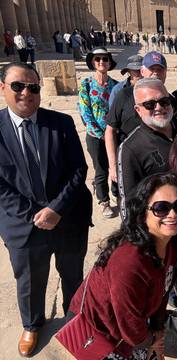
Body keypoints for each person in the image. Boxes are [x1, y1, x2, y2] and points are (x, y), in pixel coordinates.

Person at [0, 62, 92, 357]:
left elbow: (78, 170)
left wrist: (56, 209)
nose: (26, 92)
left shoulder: (60, 123)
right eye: (18, 86)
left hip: (67, 219)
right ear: (3, 88)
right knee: (29, 280)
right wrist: (36, 215)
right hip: (23, 225)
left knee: (72, 275)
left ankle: (74, 319)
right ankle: (32, 324)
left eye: (33, 87)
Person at [67, 173, 177, 360]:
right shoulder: (129, 262)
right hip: (102, 334)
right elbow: (130, 327)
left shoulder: (167, 245)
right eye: (161, 208)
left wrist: (158, 331)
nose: (172, 214)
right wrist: (154, 340)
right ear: (142, 213)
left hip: (132, 328)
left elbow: (162, 292)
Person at [117, 78, 177, 220]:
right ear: (138, 110)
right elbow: (128, 204)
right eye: (150, 104)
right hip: (162, 228)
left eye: (164, 101)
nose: (159, 107)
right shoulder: (131, 148)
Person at [105, 51, 169, 195]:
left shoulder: (168, 102)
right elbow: (110, 131)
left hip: (159, 166)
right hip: (131, 162)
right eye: (152, 69)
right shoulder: (124, 96)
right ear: (142, 71)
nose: (156, 73)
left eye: (160, 69)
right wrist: (113, 165)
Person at [78, 47, 118, 218]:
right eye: (98, 59)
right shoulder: (86, 84)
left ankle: (118, 194)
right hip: (95, 136)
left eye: (105, 59)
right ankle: (104, 201)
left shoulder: (116, 86)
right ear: (93, 63)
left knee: (116, 165)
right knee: (101, 168)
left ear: (109, 62)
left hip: (114, 133)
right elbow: (85, 112)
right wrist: (100, 133)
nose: (102, 62)